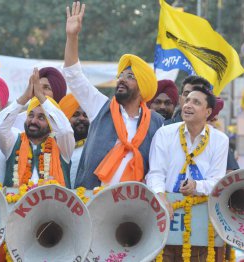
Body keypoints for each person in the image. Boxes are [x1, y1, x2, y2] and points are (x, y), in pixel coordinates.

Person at [63, 2, 163, 189]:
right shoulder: (101, 108)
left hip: (135, 204)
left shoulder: (156, 122)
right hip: (94, 200)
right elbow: (73, 75)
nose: (122, 80)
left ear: (142, 88)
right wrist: (72, 36)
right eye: (121, 76)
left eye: (130, 76)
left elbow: (158, 168)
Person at [146, 86, 229, 261]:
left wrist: (196, 186)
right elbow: (155, 173)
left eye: (196, 102)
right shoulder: (165, 133)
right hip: (167, 214)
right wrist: (160, 196)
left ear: (207, 112)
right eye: (187, 100)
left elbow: (218, 181)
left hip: (202, 219)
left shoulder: (220, 140)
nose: (188, 105)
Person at [0, 68, 74, 187]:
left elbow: (65, 130)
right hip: (16, 204)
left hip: (54, 205)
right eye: (30, 115)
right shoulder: (13, 141)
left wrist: (41, 97)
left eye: (41, 117)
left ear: (51, 123)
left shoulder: (62, 145)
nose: (33, 121)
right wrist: (24, 97)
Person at [13, 67, 67, 131]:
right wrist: (24, 97)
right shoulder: (19, 120)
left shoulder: (64, 122)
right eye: (37, 86)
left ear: (57, 93)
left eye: (46, 88)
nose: (39, 91)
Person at [59, 93, 89, 188]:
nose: (81, 118)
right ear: (65, 118)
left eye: (85, 115)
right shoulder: (55, 145)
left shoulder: (94, 147)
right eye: (76, 115)